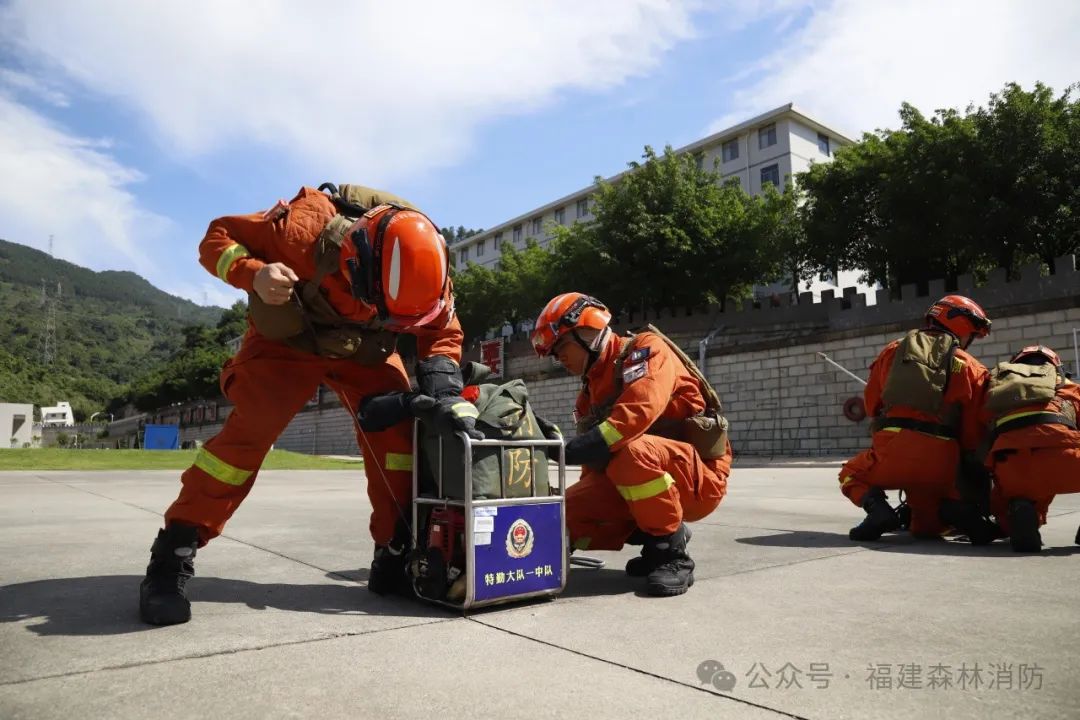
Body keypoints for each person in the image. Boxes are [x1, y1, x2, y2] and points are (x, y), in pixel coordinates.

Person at [139, 183, 480, 625]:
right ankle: (173, 553)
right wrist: (253, 273)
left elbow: (442, 333)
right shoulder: (301, 230)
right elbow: (216, 238)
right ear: (358, 264)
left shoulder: (429, 270)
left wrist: (442, 387)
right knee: (252, 430)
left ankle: (394, 553)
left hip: (364, 349)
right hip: (292, 342)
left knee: (401, 437)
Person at [530, 293, 731, 596]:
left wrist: (567, 451)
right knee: (561, 513)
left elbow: (637, 412)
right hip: (643, 475)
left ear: (587, 331)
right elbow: (594, 470)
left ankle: (671, 553)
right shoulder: (588, 395)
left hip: (698, 479)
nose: (559, 359)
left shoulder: (647, 349)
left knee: (630, 453)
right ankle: (655, 533)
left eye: (560, 348)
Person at [839, 295, 996, 543]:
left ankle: (878, 511)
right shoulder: (971, 367)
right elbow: (972, 432)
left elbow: (872, 406)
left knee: (850, 473)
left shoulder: (892, 351)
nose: (970, 342)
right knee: (925, 530)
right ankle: (956, 511)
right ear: (962, 327)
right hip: (942, 462)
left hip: (892, 451)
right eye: (972, 335)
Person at [982, 345, 1080, 552]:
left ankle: (1019, 509)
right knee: (1055, 466)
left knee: (1015, 493)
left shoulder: (997, 390)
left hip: (1012, 463)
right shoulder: (1070, 388)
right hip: (1066, 460)